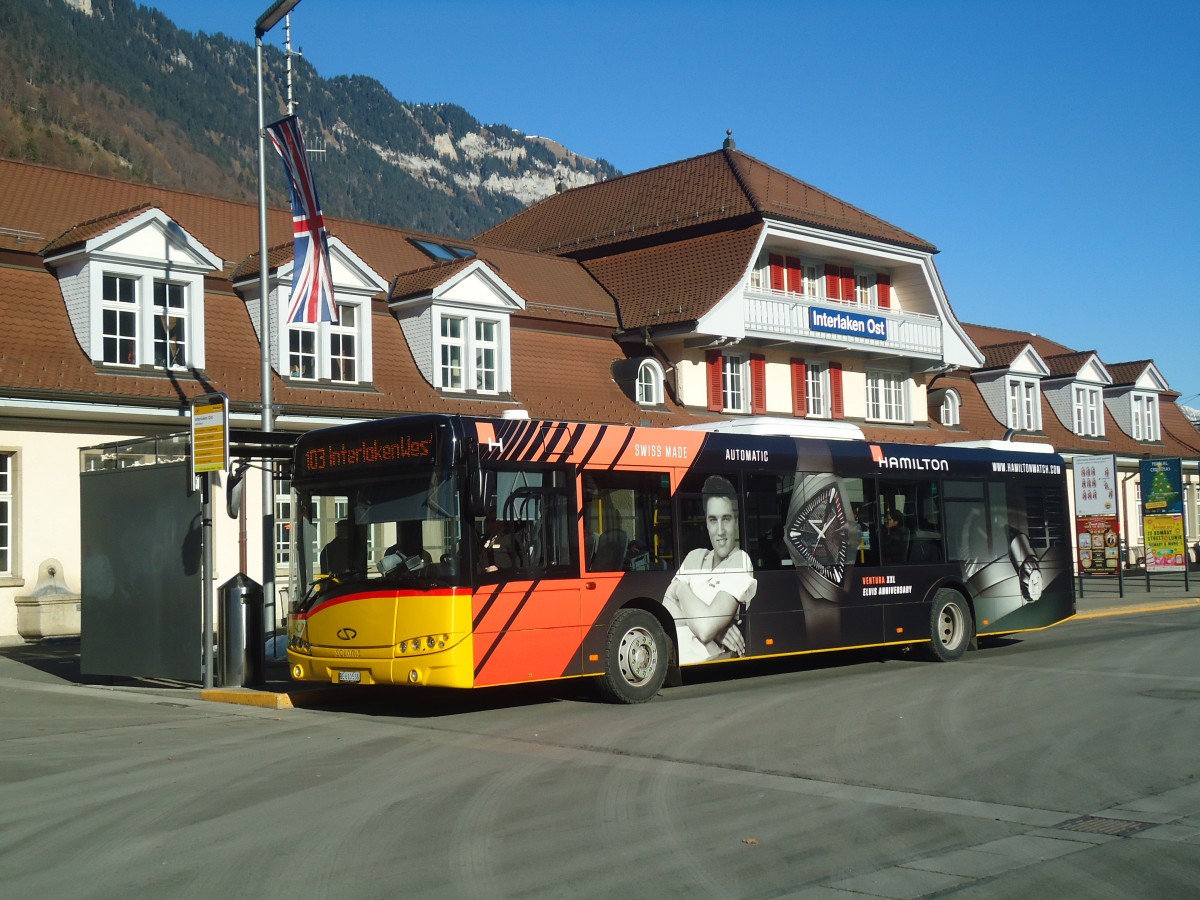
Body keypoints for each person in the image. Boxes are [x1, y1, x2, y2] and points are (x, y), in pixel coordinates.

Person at [662, 475, 757, 664]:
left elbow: (705, 628)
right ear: (706, 522)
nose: (720, 530)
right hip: (679, 664)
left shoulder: (740, 561)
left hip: (708, 664)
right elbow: (666, 614)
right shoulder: (694, 557)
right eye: (713, 520)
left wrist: (680, 589)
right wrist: (718, 629)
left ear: (737, 521)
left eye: (727, 519)